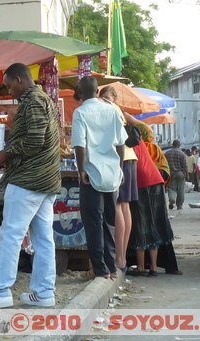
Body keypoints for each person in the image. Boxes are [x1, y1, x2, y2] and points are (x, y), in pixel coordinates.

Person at [0, 63, 61, 309]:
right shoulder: (44, 99)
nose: (10, 92)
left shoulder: (32, 101)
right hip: (45, 180)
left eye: (9, 86)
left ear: (19, 79)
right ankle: (43, 293)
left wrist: (5, 154)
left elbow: (34, 141)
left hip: (29, 180)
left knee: (10, 235)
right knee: (43, 239)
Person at [71, 76, 126, 279]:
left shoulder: (80, 113)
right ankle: (111, 267)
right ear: (97, 91)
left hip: (92, 174)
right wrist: (120, 168)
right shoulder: (112, 110)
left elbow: (79, 144)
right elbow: (121, 143)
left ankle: (101, 269)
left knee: (93, 222)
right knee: (108, 222)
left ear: (80, 91)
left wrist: (81, 169)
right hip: (112, 173)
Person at [127, 120, 178, 277]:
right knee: (156, 223)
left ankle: (141, 267)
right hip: (156, 182)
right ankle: (154, 268)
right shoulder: (142, 143)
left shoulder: (126, 146)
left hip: (141, 185)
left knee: (140, 223)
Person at [99, 85, 138, 274]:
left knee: (118, 206)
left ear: (113, 98)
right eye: (102, 97)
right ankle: (121, 256)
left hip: (120, 160)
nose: (104, 100)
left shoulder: (110, 110)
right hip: (129, 159)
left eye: (107, 97)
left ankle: (119, 258)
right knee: (124, 206)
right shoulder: (120, 112)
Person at [164, 140, 188, 210]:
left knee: (171, 188)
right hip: (180, 173)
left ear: (172, 145)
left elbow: (164, 164)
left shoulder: (167, 153)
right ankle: (179, 205)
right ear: (179, 145)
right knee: (180, 189)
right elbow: (185, 166)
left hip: (170, 173)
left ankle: (172, 199)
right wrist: (187, 175)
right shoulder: (182, 154)